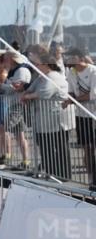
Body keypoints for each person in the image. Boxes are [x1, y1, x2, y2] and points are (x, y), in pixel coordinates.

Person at [22, 51, 74, 180]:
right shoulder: (41, 77)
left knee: (59, 146)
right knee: (45, 146)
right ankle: (50, 172)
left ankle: (63, 175)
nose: (34, 66)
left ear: (45, 64)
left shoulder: (53, 76)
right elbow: (30, 89)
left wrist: (27, 96)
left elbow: (43, 93)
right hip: (44, 121)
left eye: (36, 64)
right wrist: (27, 94)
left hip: (58, 120)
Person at [63, 48, 96, 190]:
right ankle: (91, 180)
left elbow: (92, 95)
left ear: (81, 57)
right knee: (87, 148)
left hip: (94, 115)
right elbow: (70, 91)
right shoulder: (72, 72)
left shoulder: (93, 71)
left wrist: (73, 100)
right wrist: (69, 99)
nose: (69, 58)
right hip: (81, 115)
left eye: (72, 56)